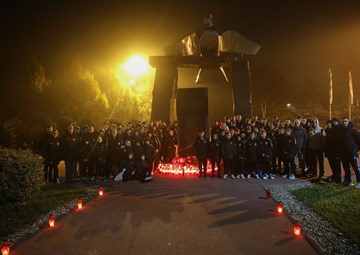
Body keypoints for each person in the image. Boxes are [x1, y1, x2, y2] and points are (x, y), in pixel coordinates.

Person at [339, 117, 360, 188]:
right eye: (342, 121)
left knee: (356, 168)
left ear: (348, 122)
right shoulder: (341, 131)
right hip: (344, 154)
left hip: (352, 153)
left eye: (345, 121)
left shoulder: (353, 131)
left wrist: (355, 150)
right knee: (346, 168)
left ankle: (359, 182)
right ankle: (348, 181)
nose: (344, 122)